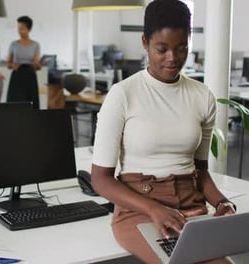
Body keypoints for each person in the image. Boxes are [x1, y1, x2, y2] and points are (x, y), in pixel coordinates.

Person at [90, 0, 236, 263]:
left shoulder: (202, 97)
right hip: (138, 208)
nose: (173, 58)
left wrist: (223, 202)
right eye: (162, 49)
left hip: (190, 207)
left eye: (181, 48)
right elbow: (100, 179)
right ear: (145, 42)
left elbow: (200, 172)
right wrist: (153, 208)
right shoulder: (123, 94)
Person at [7, 15, 41, 109]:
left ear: (29, 29)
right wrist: (12, 65)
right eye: (19, 28)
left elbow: (37, 64)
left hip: (30, 76)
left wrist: (37, 65)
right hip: (17, 76)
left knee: (31, 103)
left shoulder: (35, 45)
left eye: (22, 29)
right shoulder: (13, 45)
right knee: (15, 103)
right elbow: (8, 63)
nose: (19, 31)